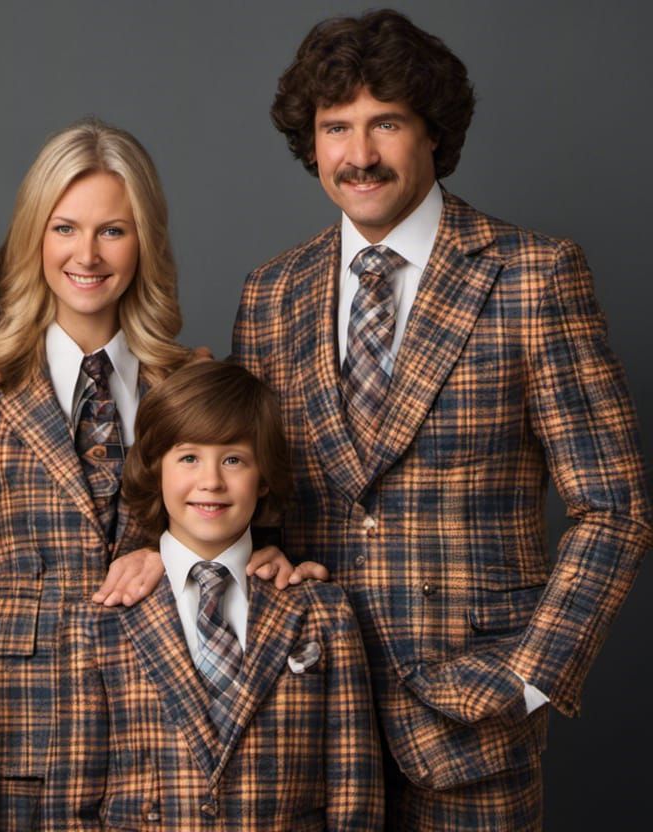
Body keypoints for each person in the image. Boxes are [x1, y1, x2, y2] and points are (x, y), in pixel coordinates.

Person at [231, 9, 653, 830]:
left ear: (434, 133)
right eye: (336, 128)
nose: (358, 155)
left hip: (472, 723)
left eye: (385, 122)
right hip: (304, 720)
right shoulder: (271, 294)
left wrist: (529, 676)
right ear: (310, 142)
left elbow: (616, 508)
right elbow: (259, 501)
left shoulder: (533, 275)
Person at [0, 117, 193, 828]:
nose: (88, 255)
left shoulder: (195, 386)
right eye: (65, 228)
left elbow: (240, 541)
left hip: (161, 732)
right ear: (35, 234)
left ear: (145, 241)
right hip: (13, 739)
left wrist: (170, 553)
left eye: (113, 231)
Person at [48, 360, 382, 830]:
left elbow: (355, 799)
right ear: (155, 469)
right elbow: (71, 809)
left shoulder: (321, 613)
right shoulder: (95, 625)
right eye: (188, 458)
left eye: (233, 460)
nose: (211, 481)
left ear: (263, 476)